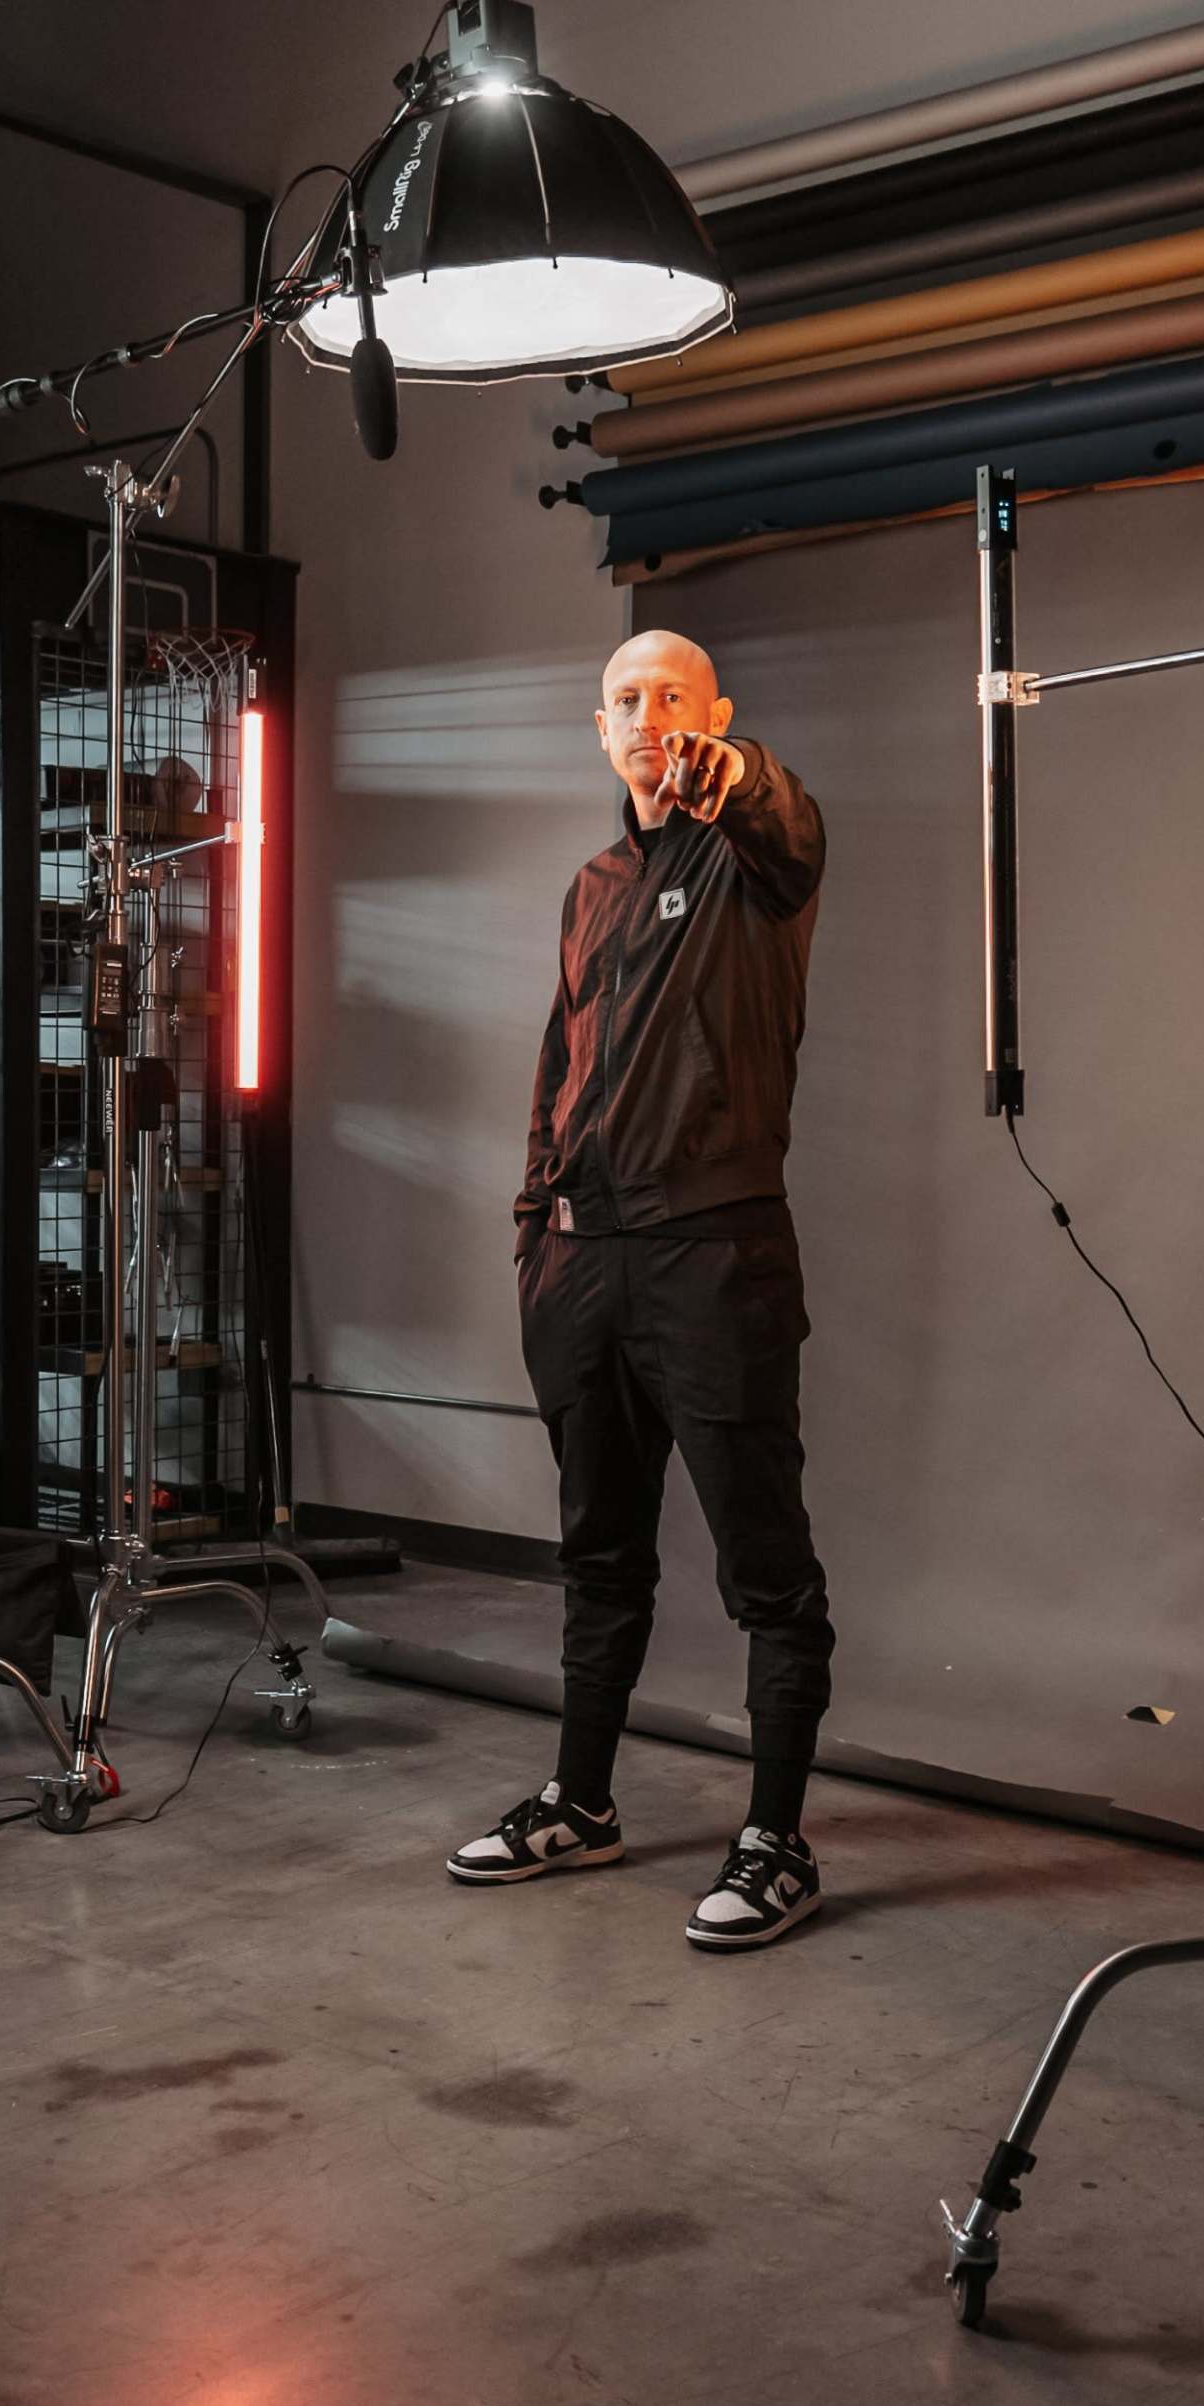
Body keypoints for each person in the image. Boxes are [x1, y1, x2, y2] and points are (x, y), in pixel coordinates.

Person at [448, 631, 837, 1948]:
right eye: (627, 698)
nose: (649, 715)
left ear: (713, 714)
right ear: (596, 726)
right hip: (582, 1265)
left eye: (674, 695)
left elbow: (779, 813)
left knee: (766, 1571)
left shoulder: (757, 854)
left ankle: (778, 1838)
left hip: (714, 1256)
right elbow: (558, 1071)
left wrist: (723, 775)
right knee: (599, 1556)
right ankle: (582, 1799)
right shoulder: (593, 885)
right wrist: (532, 1233)